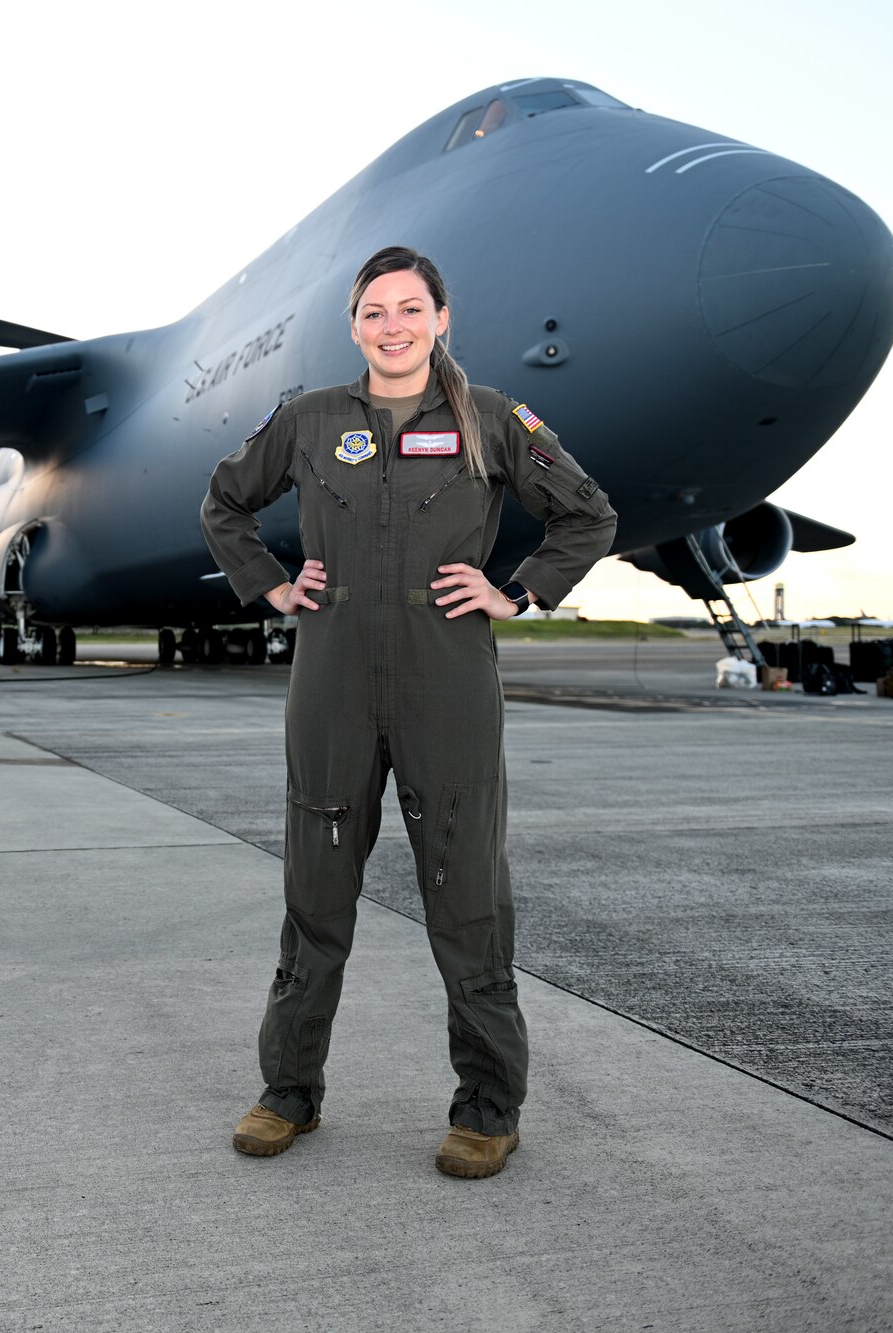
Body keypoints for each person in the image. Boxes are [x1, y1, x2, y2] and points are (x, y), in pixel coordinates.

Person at [200, 246, 617, 1178]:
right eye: (375, 311)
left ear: (441, 319)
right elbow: (225, 501)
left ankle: (486, 1106)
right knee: (315, 893)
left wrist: (520, 589)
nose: (393, 325)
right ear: (354, 327)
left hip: (449, 684)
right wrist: (268, 584)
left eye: (410, 308)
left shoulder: (495, 420)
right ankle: (289, 1093)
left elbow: (589, 514)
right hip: (331, 682)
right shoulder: (310, 421)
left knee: (468, 898)